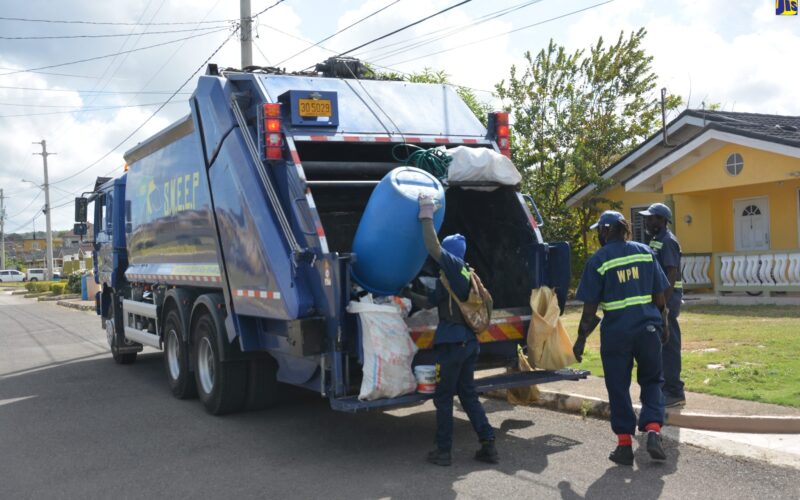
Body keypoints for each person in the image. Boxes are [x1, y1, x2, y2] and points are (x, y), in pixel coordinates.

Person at [404, 194, 498, 467]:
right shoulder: (459, 277)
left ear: (450, 254)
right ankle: (488, 444)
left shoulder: (455, 268)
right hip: (467, 344)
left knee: (444, 397)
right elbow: (429, 302)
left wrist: (426, 214)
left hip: (453, 345)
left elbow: (433, 247)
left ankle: (443, 451)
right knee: (467, 394)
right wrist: (407, 292)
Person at [572, 210, 670, 466]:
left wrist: (581, 340)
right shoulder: (645, 252)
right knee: (652, 381)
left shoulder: (598, 261)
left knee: (618, 387)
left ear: (606, 230)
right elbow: (660, 295)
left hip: (616, 335)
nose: (598, 236)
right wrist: (665, 325)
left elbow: (590, 310)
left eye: (599, 231)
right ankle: (653, 430)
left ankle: (625, 446)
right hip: (649, 330)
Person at [639, 203, 686, 408]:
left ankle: (675, 392)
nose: (647, 221)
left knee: (669, 346)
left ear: (662, 220)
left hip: (669, 300)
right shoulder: (657, 240)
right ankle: (665, 387)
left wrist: (663, 304)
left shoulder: (668, 241)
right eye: (647, 218)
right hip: (660, 300)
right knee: (661, 345)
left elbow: (671, 272)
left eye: (651, 218)